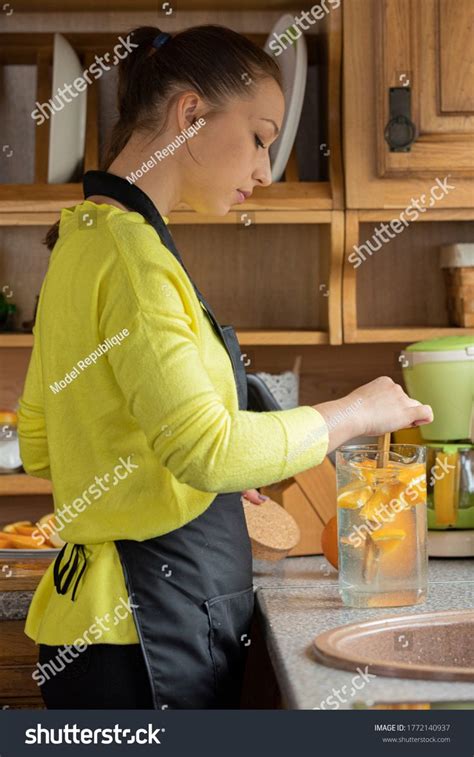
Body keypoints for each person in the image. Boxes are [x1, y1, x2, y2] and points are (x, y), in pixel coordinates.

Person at [17, 24, 433, 710]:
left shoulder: (81, 239)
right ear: (190, 114)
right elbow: (207, 448)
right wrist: (353, 413)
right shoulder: (138, 262)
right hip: (147, 630)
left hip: (91, 629)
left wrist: (188, 492)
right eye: (261, 136)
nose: (266, 170)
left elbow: (42, 437)